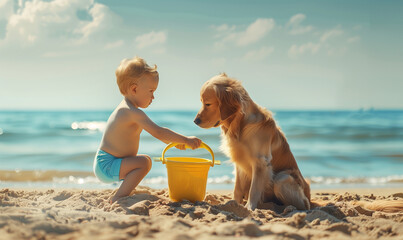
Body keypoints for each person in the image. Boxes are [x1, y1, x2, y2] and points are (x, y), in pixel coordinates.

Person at [93, 56, 202, 203]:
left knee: (144, 161)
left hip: (110, 162)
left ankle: (123, 191)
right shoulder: (130, 112)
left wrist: (175, 143)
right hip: (107, 164)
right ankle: (119, 196)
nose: (153, 97)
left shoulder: (128, 110)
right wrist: (185, 139)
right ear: (134, 89)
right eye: (151, 91)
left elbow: (158, 134)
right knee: (144, 163)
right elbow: (158, 131)